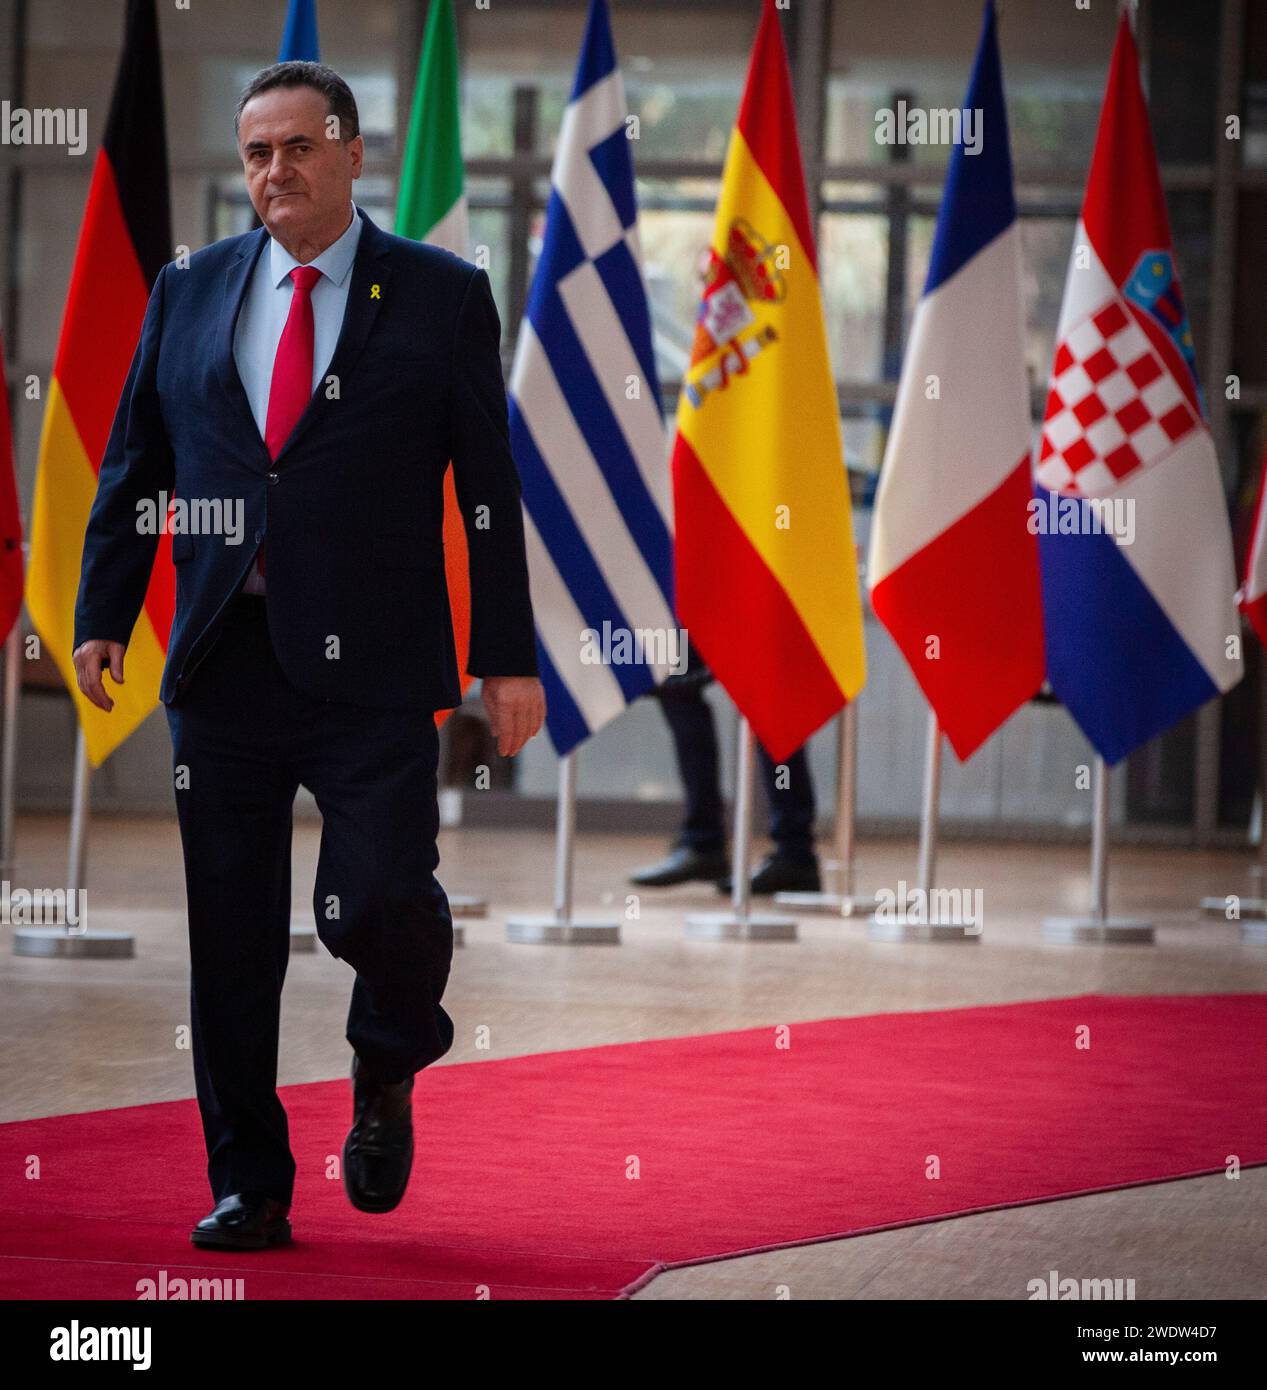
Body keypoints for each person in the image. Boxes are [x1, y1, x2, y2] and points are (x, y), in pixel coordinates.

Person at [71, 61, 545, 1250]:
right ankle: (250, 1182)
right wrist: (100, 612)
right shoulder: (190, 289)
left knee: (376, 896)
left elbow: (488, 491)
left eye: (295, 146)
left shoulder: (438, 296)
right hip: (224, 660)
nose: (273, 171)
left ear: (350, 151)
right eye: (255, 154)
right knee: (231, 934)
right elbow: (138, 466)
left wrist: (508, 657)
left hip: (375, 667)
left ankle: (388, 1059)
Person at [629, 643, 820, 894]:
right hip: (705, 606)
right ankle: (704, 842)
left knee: (768, 694)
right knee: (674, 677)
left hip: (757, 608)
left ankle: (794, 852)